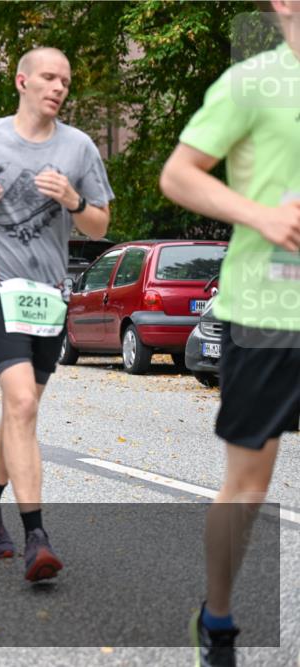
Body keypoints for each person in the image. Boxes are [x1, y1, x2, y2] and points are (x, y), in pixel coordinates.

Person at [0, 46, 113, 582]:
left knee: (22, 412)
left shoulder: (78, 148)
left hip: (47, 293)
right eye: (50, 77)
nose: (59, 87)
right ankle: (37, 538)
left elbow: (100, 225)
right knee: (22, 400)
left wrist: (75, 202)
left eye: (66, 80)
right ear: (22, 80)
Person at [158, 3, 299, 664]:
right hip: (270, 313)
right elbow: (178, 175)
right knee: (248, 482)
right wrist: (262, 217)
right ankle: (216, 618)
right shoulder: (252, 83)